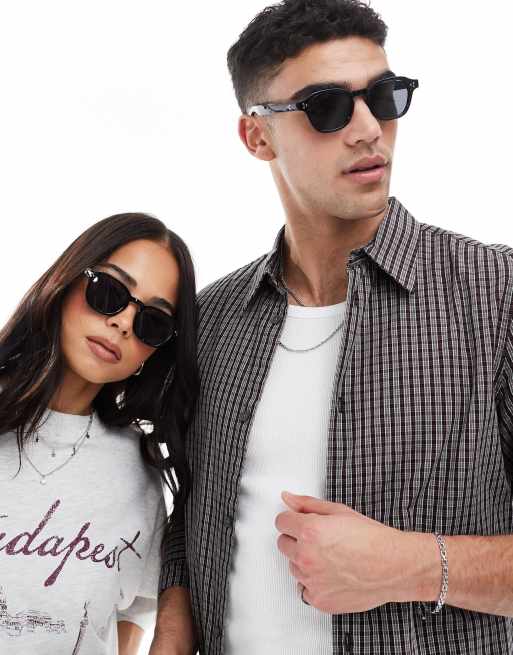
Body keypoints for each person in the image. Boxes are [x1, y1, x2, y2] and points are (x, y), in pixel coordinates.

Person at [150, 1, 513, 654]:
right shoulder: (213, 321)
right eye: (327, 107)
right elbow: (193, 515)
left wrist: (413, 565)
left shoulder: (496, 293)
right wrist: (170, 637)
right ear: (257, 137)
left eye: (384, 96)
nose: (369, 129)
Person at [0, 212, 199, 654]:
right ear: (66, 281)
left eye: (152, 321)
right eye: (109, 292)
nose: (123, 322)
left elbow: (131, 613)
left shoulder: (138, 472)